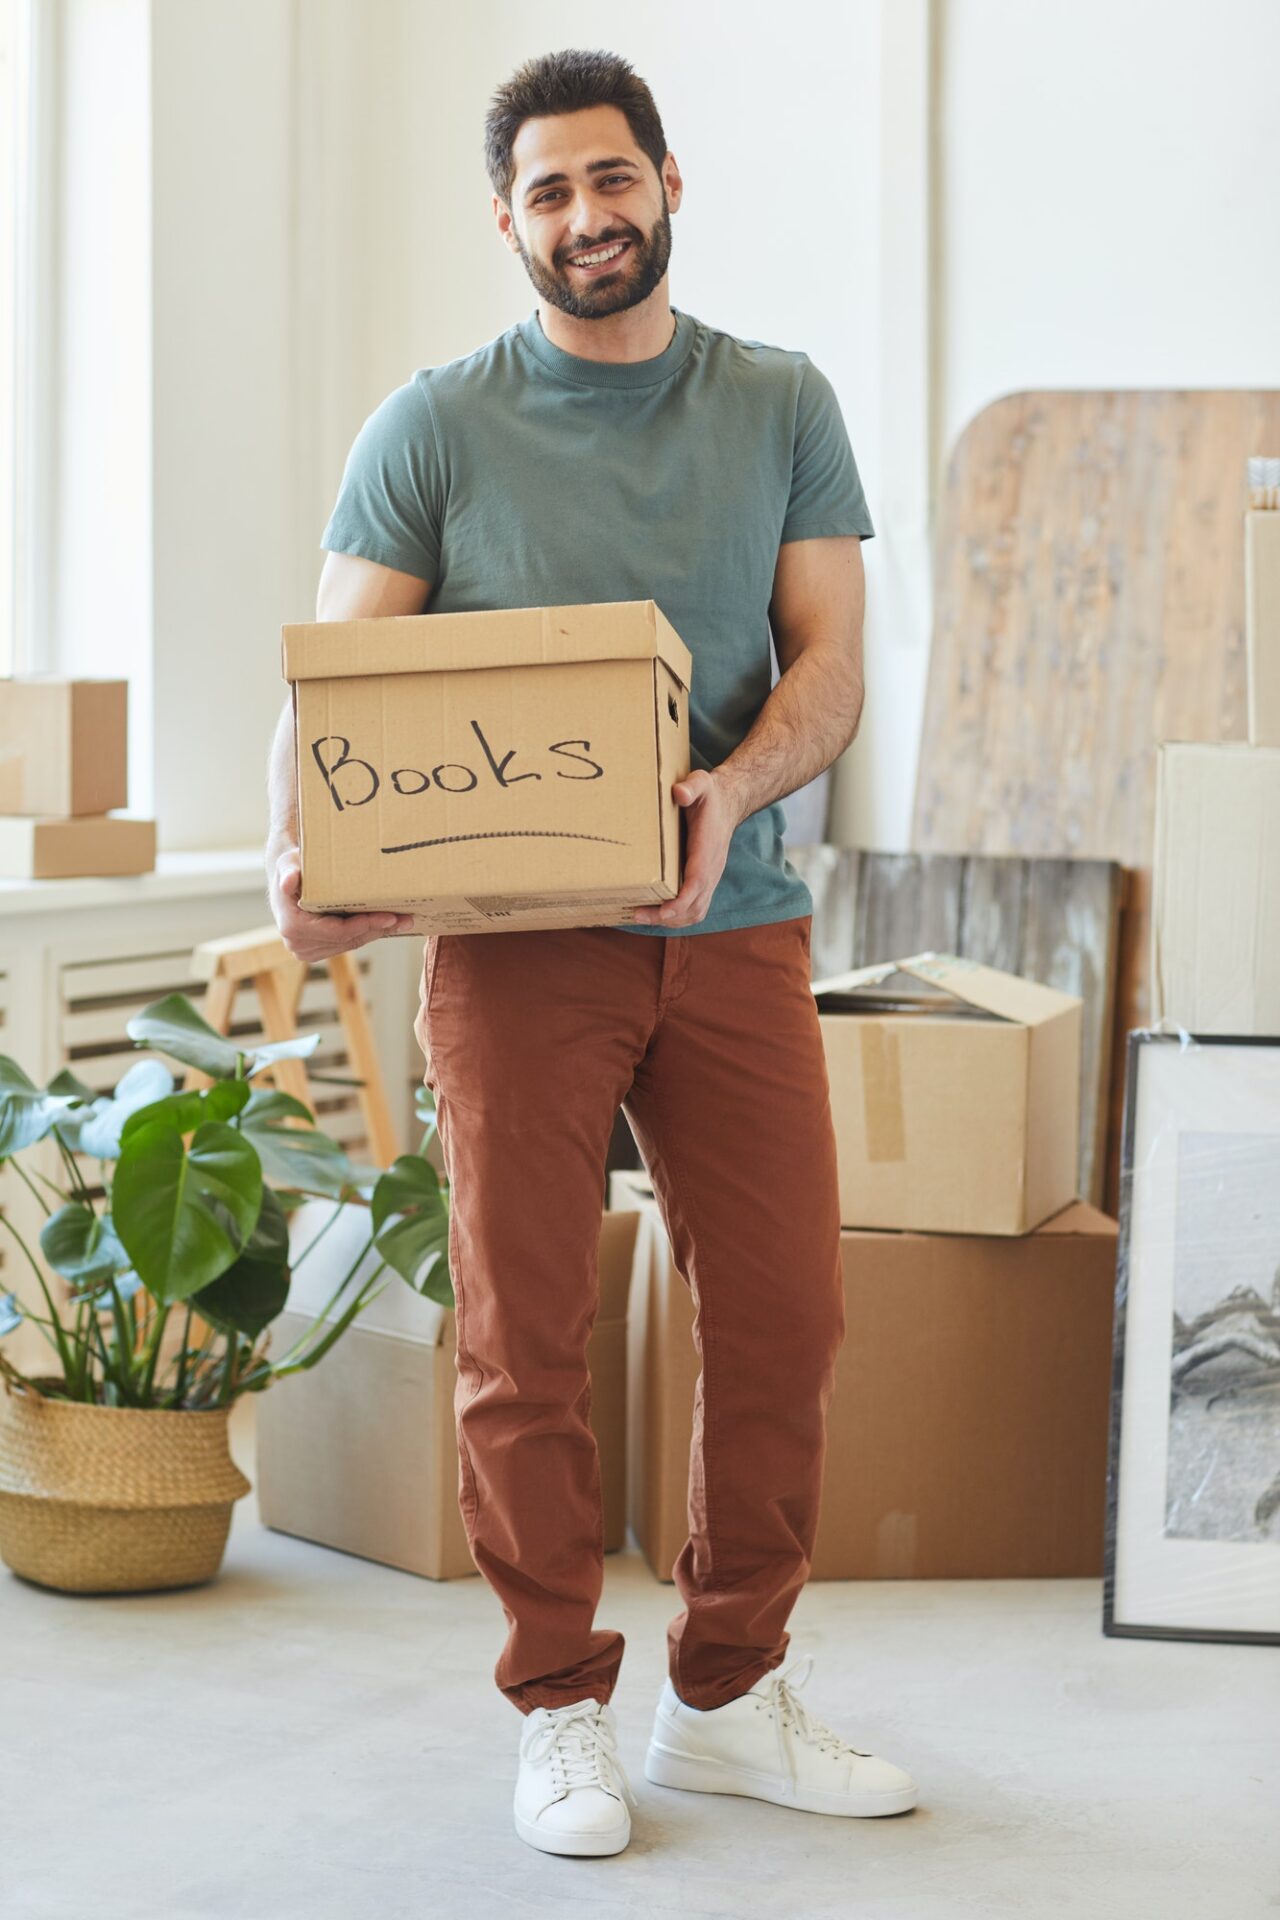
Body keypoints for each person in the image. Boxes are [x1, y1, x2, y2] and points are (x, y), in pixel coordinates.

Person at [266, 46, 917, 1859]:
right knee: (520, 1335)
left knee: (787, 1316)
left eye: (610, 179)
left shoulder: (780, 399)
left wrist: (729, 792)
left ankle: (723, 1695)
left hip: (737, 923)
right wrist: (289, 855)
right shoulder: (432, 426)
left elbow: (832, 664)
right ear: (508, 222)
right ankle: (560, 1705)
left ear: (669, 183)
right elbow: (335, 683)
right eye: (547, 192)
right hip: (512, 955)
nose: (585, 216)